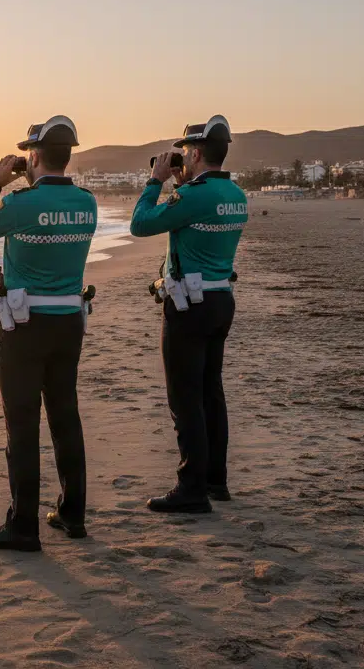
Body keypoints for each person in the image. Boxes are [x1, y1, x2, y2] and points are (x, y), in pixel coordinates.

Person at [0, 116, 97, 551]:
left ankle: (23, 527)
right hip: (69, 322)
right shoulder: (88, 204)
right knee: (65, 416)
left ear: (33, 157)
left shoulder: (20, 204)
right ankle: (73, 514)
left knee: (22, 426)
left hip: (25, 325)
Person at [129, 116, 248, 513]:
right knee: (212, 393)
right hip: (220, 299)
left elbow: (141, 224)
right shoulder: (235, 193)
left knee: (186, 399)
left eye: (185, 153)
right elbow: (201, 225)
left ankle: (191, 488)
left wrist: (155, 182)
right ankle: (216, 481)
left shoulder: (192, 197)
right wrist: (182, 187)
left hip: (188, 307)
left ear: (195, 153)